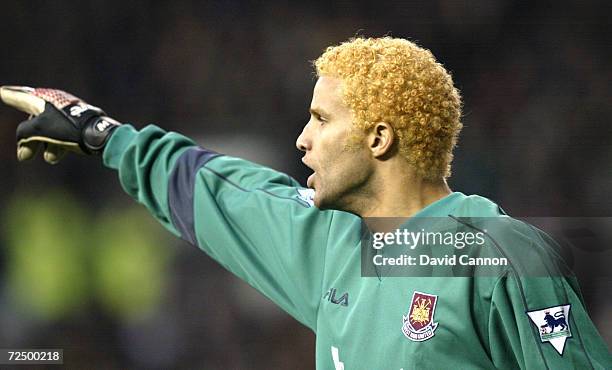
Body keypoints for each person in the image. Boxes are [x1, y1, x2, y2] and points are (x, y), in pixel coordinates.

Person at [1, 37, 610, 369]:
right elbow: (229, 195)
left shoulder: (495, 252)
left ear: (378, 138)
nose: (302, 138)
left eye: (320, 118)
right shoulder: (334, 246)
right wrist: (103, 134)